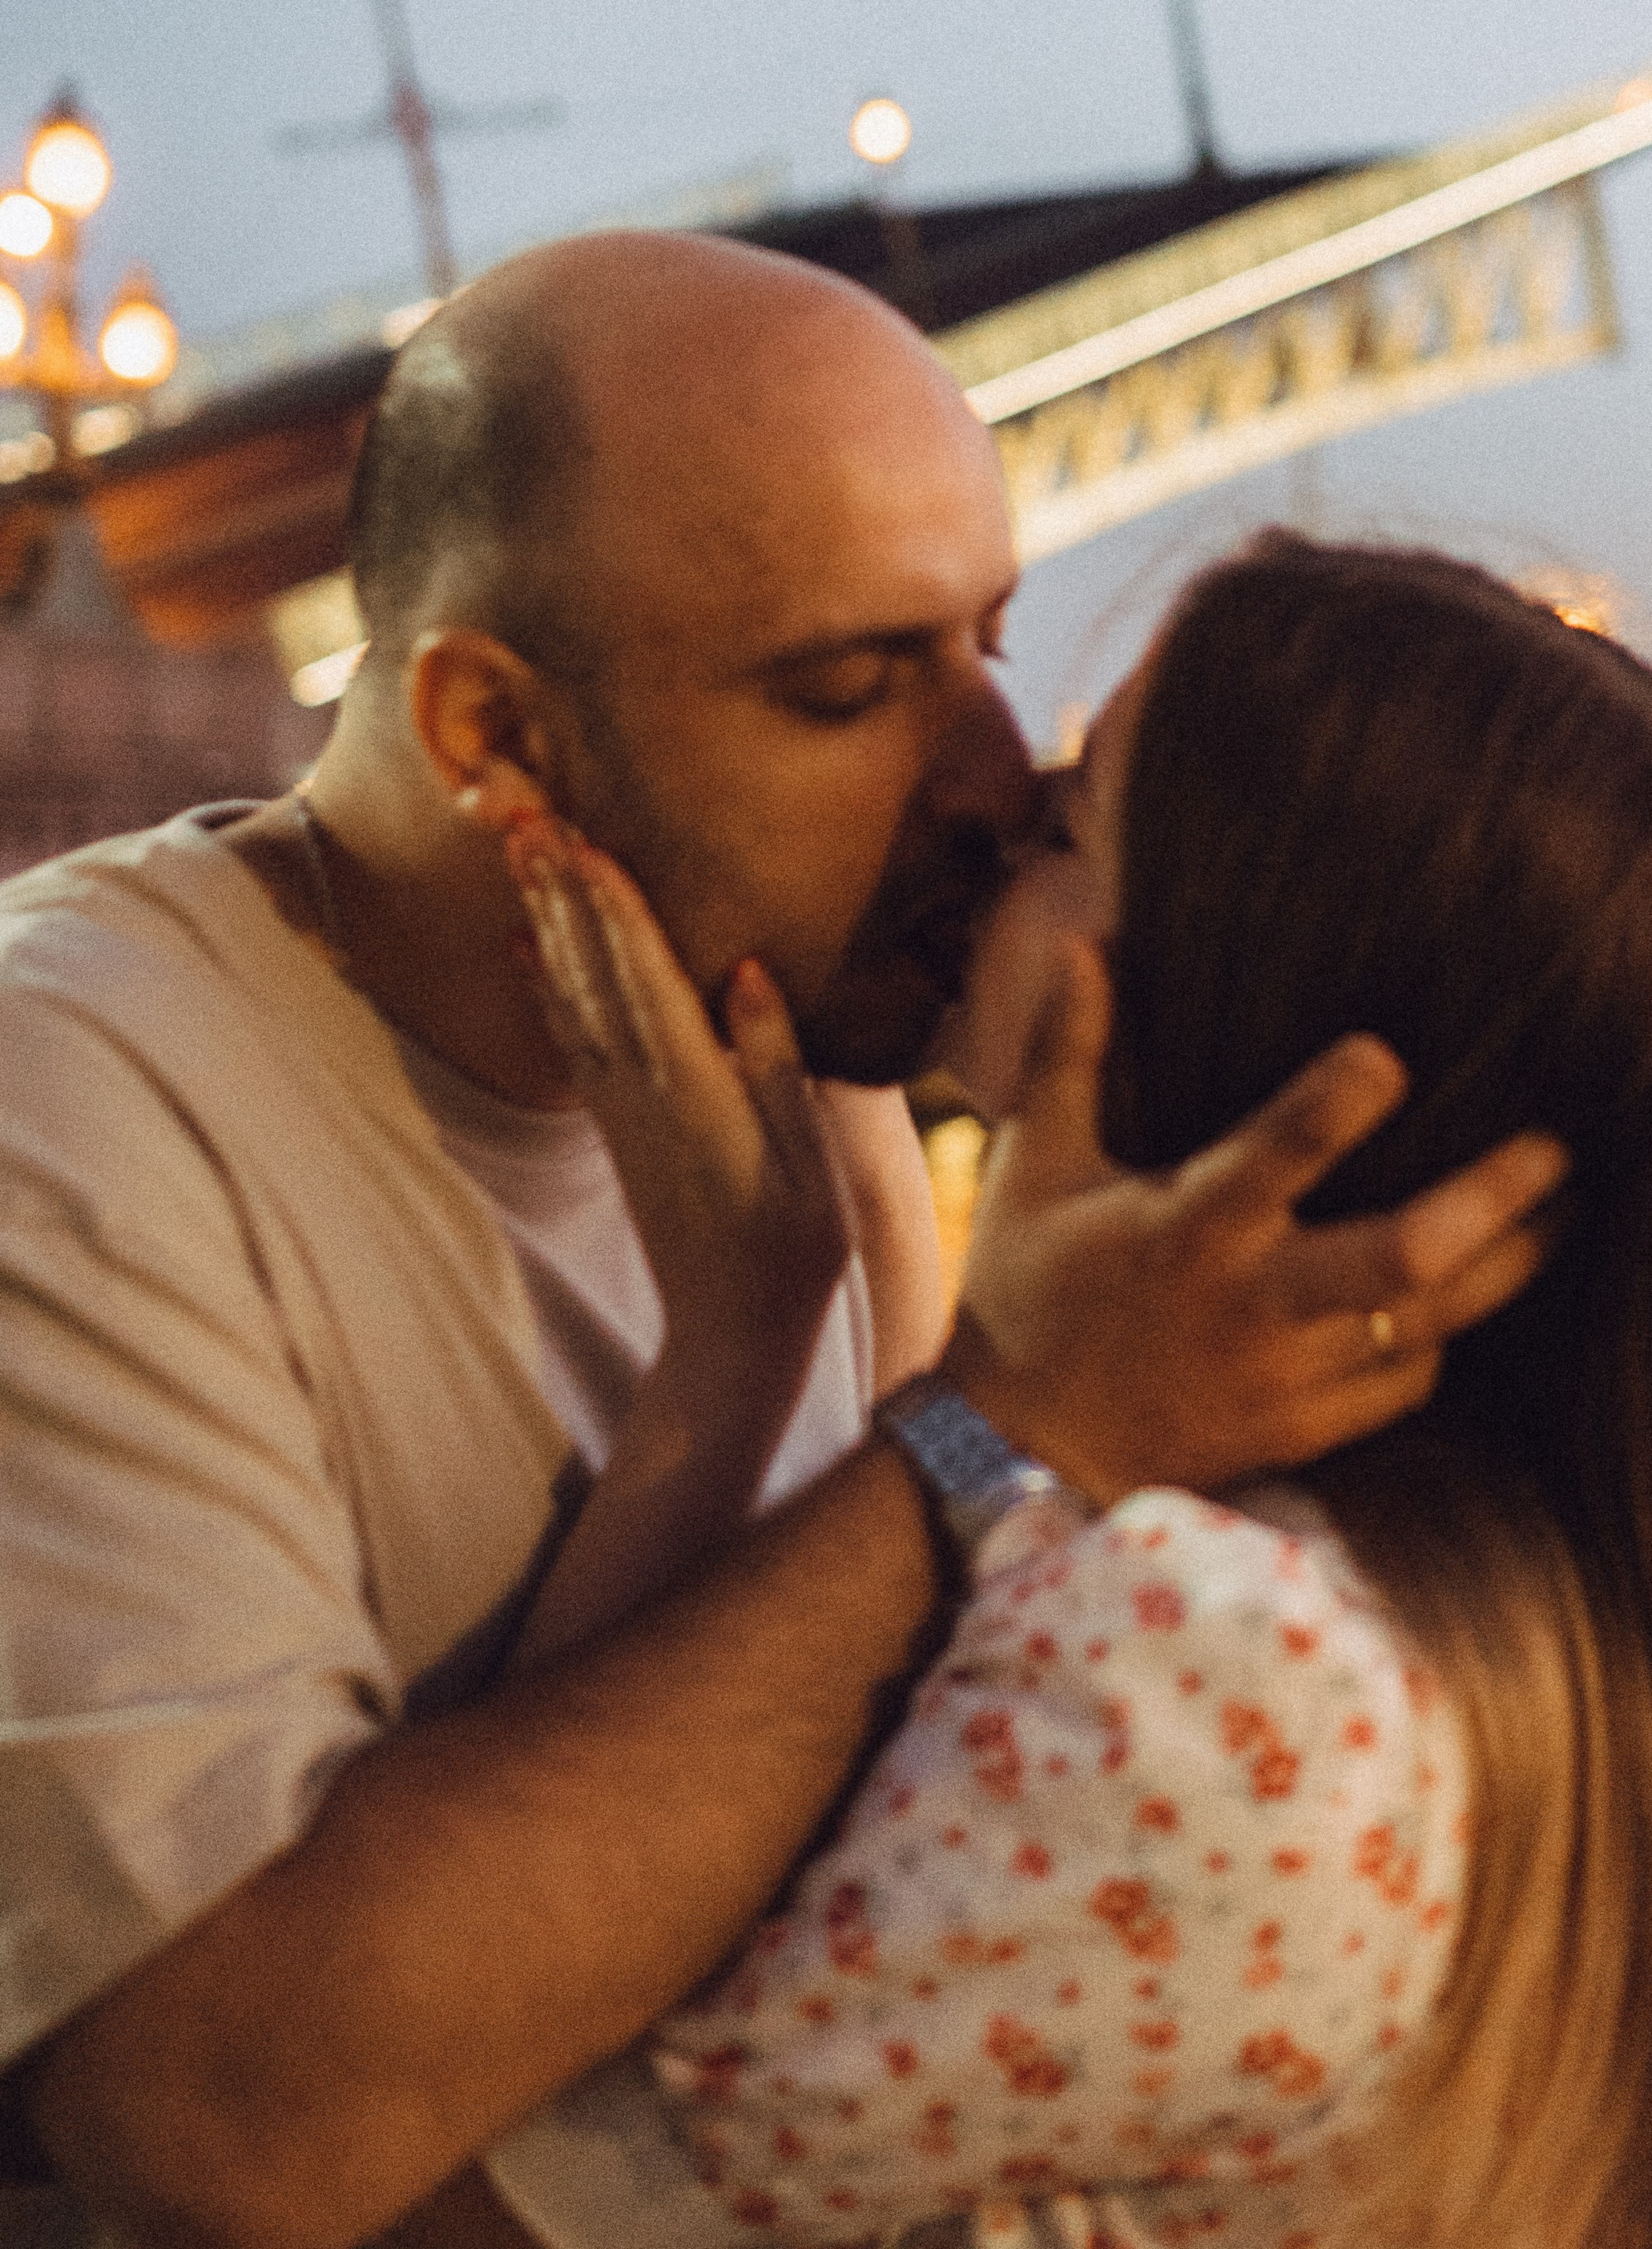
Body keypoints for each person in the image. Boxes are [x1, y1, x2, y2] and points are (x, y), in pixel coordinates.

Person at [0, 236, 1559, 2249]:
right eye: (850, 687)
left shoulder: (813, 1070)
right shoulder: (76, 1108)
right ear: (497, 734)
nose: (1003, 782)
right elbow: (224, 2129)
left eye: (988, 643)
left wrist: (777, 1360)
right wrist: (1005, 1426)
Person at [476, 535, 1652, 2249]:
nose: (987, 815)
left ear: (1235, 986)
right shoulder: (1501, 1601)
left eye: (1066, 825)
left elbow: (417, 2143)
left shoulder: (1219, 1661)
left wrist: (773, 1353)